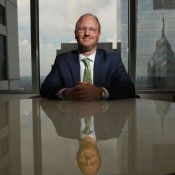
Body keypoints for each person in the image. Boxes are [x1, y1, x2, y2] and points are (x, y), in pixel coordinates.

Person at [40, 13, 136, 100]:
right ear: (75, 34)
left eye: (92, 29)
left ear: (99, 34)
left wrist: (101, 92)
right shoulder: (62, 61)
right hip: (72, 115)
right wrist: (67, 93)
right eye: (82, 29)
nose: (87, 33)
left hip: (104, 116)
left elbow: (128, 88)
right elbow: (46, 88)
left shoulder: (113, 60)